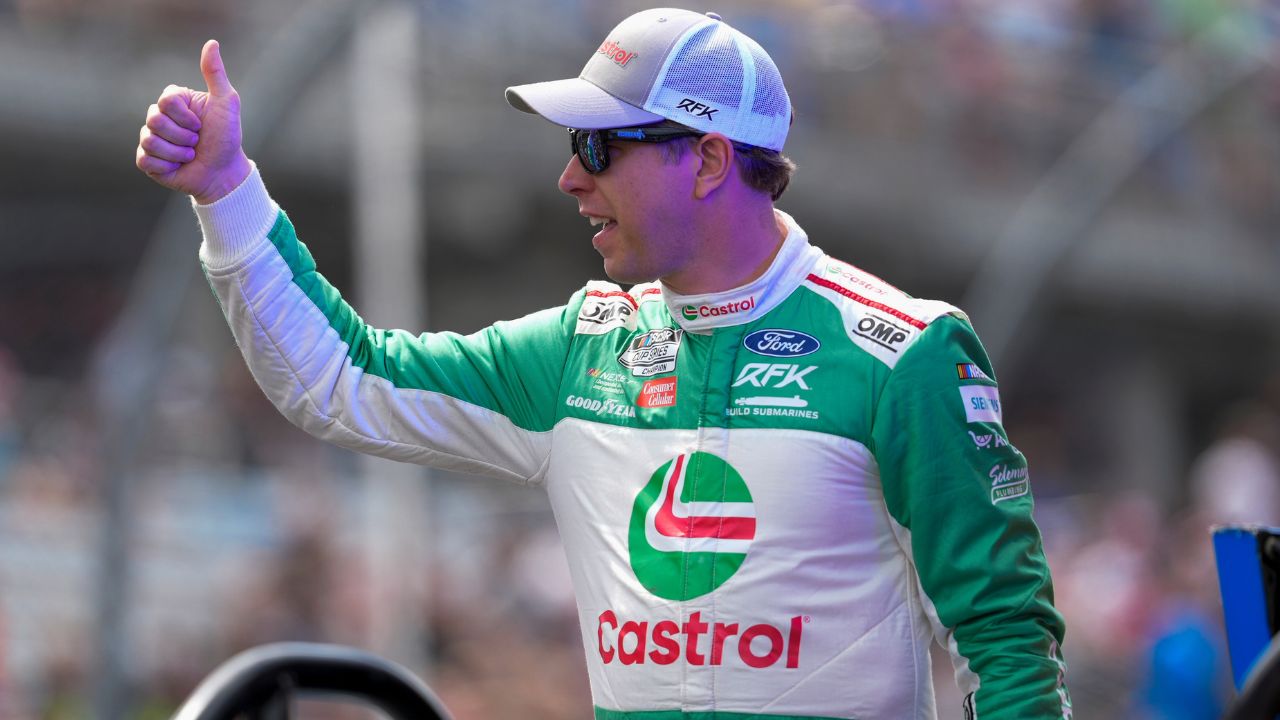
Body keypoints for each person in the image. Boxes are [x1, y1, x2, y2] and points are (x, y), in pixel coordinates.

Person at [135, 8, 1071, 719]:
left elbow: (1005, 641)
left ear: (708, 161)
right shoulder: (581, 349)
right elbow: (344, 381)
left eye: (598, 146)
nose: (569, 177)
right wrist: (227, 193)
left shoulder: (904, 352)